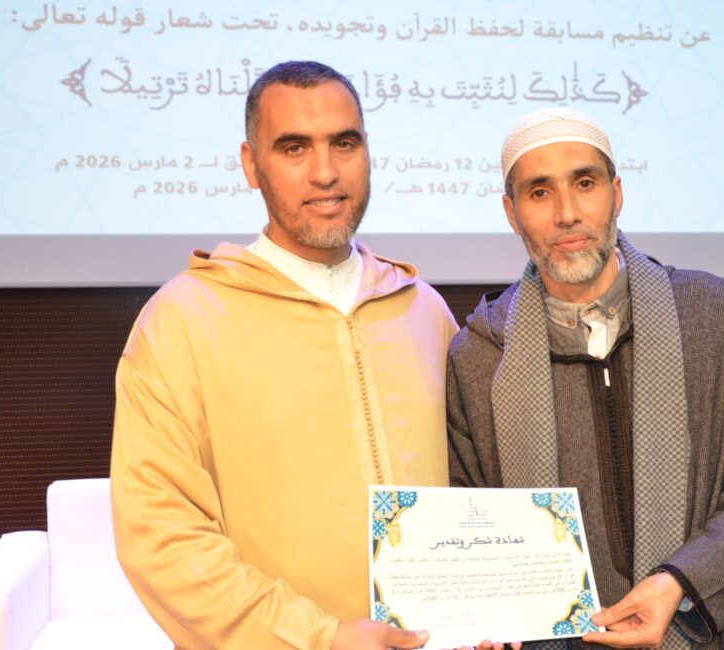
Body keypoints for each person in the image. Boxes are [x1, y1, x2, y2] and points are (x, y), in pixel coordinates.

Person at [110, 61, 461, 650]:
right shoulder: (182, 320)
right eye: (294, 147)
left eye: (344, 143)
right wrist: (320, 639)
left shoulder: (423, 310)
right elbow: (162, 538)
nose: (325, 173)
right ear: (251, 164)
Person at [445, 108, 724, 649]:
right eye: (540, 192)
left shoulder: (709, 314)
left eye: (585, 183)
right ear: (512, 212)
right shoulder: (479, 354)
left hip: (699, 634)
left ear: (616, 193)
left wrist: (682, 584)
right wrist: (482, 611)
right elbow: (466, 513)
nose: (567, 214)